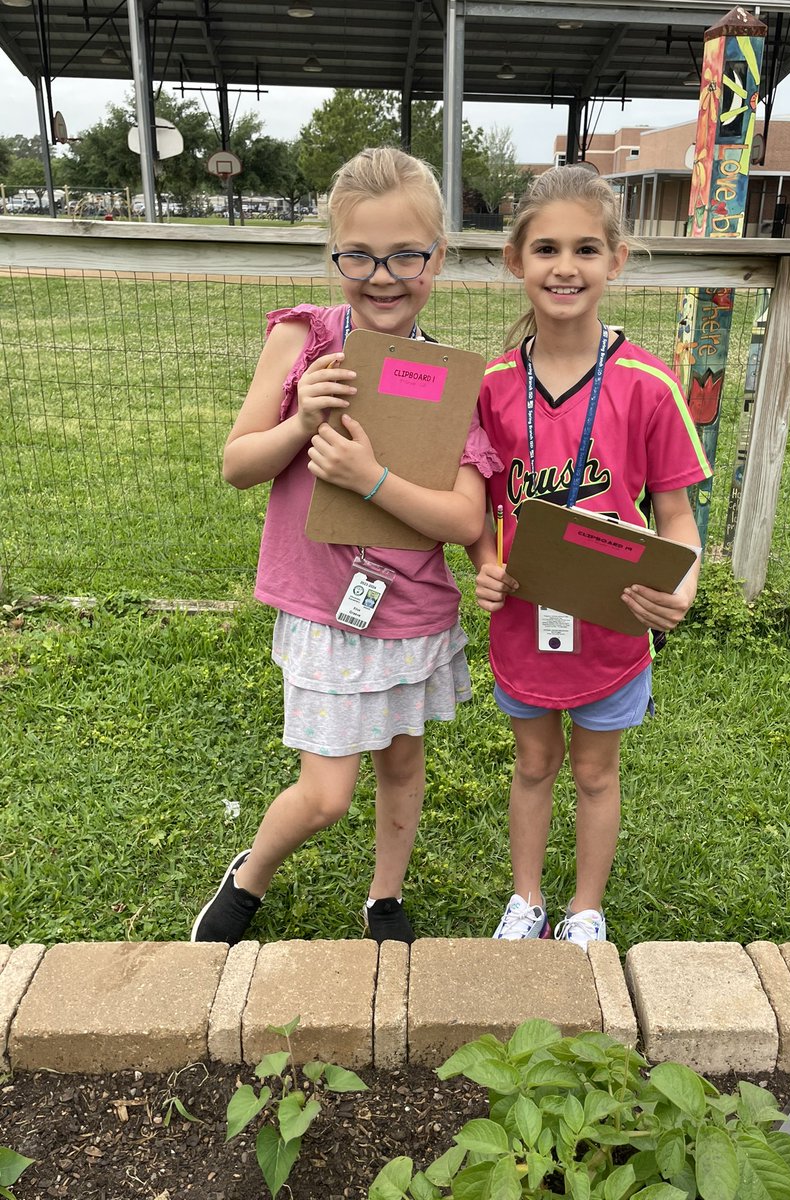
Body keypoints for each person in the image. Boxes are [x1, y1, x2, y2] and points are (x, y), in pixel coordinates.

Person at [191, 147, 499, 947]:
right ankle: (249, 875)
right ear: (335, 255)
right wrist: (300, 419)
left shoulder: (450, 376)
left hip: (411, 612)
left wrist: (370, 479)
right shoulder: (303, 339)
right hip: (325, 610)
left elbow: (466, 520)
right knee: (327, 793)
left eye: (407, 254)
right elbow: (236, 466)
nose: (384, 275)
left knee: (402, 765)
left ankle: (385, 896)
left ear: (439, 254)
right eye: (358, 255)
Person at [469, 165, 712, 951]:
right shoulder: (492, 385)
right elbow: (476, 504)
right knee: (534, 764)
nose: (563, 267)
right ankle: (527, 899)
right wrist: (483, 559)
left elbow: (677, 518)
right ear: (516, 261)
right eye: (545, 248)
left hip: (612, 628)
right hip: (523, 622)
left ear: (617, 259)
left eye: (583, 249)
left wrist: (683, 586)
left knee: (595, 772)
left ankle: (584, 907)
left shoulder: (647, 385)